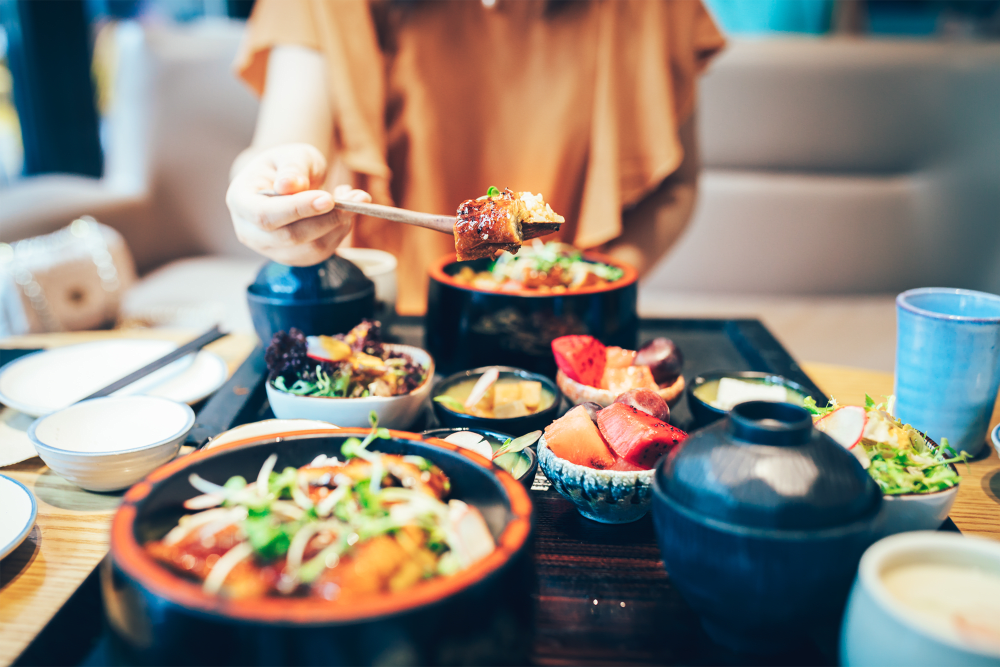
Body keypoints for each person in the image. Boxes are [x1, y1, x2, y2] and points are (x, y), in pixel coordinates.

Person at [226, 0, 725, 314]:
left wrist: (586, 283)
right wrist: (269, 197)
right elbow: (280, 149)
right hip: (393, 322)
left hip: (574, 323)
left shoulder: (656, 8)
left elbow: (675, 187)